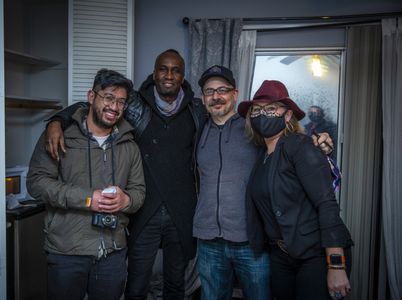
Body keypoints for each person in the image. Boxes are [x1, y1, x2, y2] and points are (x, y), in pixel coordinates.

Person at [45, 49, 207, 299]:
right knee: (136, 284)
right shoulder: (134, 103)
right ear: (154, 73)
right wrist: (56, 120)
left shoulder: (197, 109)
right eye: (163, 69)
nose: (169, 75)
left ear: (183, 76)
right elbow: (93, 104)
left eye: (176, 70)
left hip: (182, 212)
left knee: (177, 284)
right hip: (144, 211)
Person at [26, 69, 146, 300]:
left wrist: (126, 200)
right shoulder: (59, 136)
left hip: (113, 253)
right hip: (67, 252)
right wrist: (88, 199)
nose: (114, 106)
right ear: (92, 96)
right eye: (109, 97)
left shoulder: (130, 145)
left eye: (121, 101)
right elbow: (37, 183)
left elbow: (139, 192)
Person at [238, 80, 353, 300]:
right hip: (281, 256)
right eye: (257, 110)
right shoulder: (262, 156)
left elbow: (326, 203)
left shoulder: (301, 146)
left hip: (316, 254)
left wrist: (336, 265)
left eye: (271, 109)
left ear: (288, 115)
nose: (263, 114)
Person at [193, 65, 271, 300]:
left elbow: (285, 142)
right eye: (209, 91)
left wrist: (318, 141)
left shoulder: (254, 127)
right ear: (203, 98)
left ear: (235, 94)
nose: (216, 96)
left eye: (222, 90)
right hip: (208, 241)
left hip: (251, 241)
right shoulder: (196, 130)